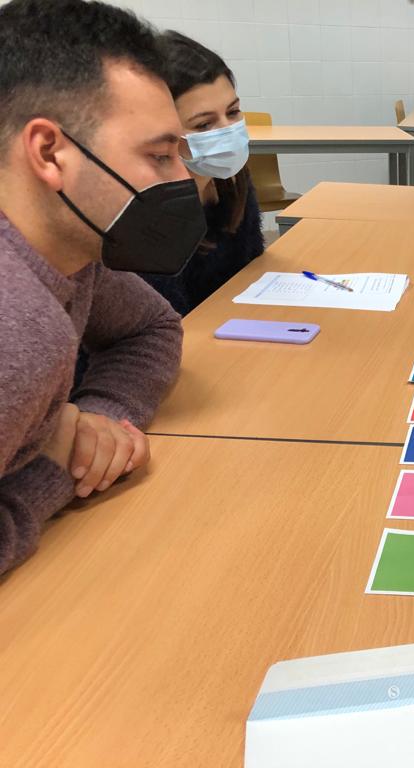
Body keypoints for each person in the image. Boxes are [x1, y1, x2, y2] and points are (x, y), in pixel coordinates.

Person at [0, 0, 203, 575]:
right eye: (159, 156)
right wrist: (55, 466)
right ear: (48, 152)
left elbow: (151, 327)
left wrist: (103, 421)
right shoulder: (18, 327)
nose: (183, 180)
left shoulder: (73, 255)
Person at [141, 31, 264, 316]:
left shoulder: (231, 181)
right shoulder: (148, 213)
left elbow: (252, 265)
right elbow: (165, 319)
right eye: (204, 124)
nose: (227, 131)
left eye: (233, 112)